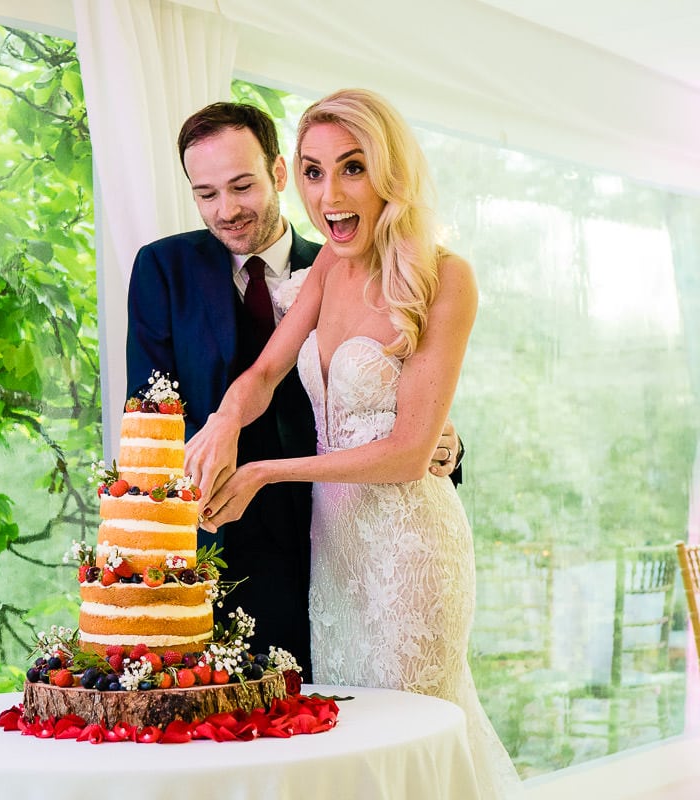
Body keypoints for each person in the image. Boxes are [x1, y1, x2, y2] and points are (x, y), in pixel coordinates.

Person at [184, 89, 520, 798]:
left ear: (390, 174)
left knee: (415, 752)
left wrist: (265, 471)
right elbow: (269, 370)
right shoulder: (330, 269)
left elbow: (407, 453)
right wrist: (222, 423)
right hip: (334, 552)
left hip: (410, 556)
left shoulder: (446, 277)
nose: (327, 193)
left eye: (352, 168)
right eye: (311, 171)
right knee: (356, 756)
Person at [126, 101, 462, 678]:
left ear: (277, 174)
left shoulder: (353, 258)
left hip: (347, 541)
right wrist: (220, 432)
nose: (227, 210)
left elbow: (411, 413)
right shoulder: (165, 269)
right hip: (224, 549)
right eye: (206, 193)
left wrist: (447, 443)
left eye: (242, 185)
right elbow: (155, 416)